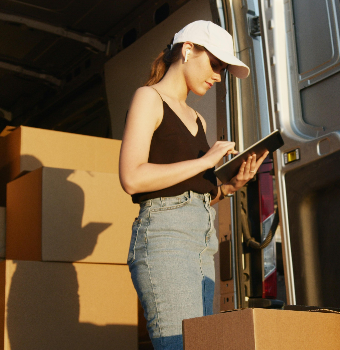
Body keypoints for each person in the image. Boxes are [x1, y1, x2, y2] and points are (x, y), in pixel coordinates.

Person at [118, 20, 268, 350]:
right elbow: (131, 178)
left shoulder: (197, 120)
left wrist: (229, 187)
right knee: (179, 346)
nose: (217, 76)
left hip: (201, 240)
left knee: (200, 345)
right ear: (188, 50)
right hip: (165, 236)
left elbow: (190, 192)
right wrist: (204, 162)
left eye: (223, 70)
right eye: (215, 64)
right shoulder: (149, 97)